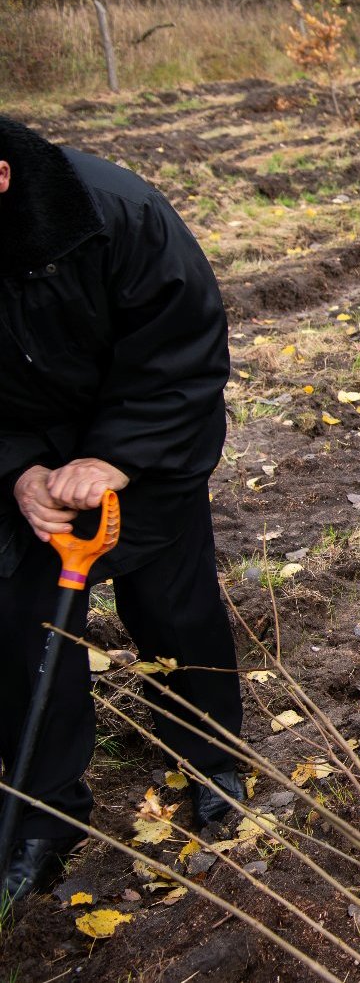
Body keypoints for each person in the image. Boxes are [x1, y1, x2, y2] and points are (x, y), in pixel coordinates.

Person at [1, 115, 247, 902]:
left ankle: (209, 757)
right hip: (23, 448)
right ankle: (43, 814)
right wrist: (16, 471)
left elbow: (186, 352)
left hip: (147, 443)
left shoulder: (114, 214)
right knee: (19, 627)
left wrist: (116, 458)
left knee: (174, 606)